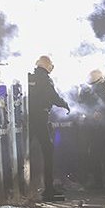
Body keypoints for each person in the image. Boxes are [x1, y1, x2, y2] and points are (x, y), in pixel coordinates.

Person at [27, 55, 70, 200]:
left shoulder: (28, 76)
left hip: (27, 118)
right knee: (48, 150)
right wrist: (65, 104)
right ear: (48, 65)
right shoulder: (45, 79)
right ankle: (49, 189)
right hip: (40, 117)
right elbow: (53, 96)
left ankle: (23, 187)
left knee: (24, 150)